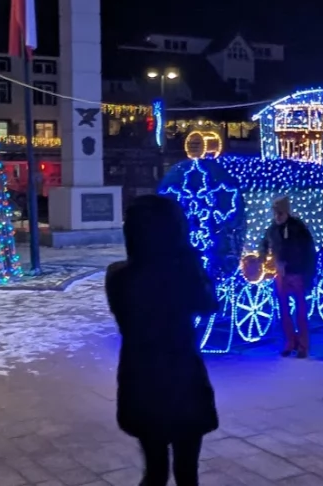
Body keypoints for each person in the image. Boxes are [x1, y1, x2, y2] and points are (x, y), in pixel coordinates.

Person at [106, 194, 219, 486]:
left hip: (142, 379)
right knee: (187, 472)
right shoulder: (183, 274)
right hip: (182, 378)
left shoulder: (118, 277)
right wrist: (191, 259)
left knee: (155, 471)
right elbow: (209, 304)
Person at [259, 196, 316, 358]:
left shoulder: (298, 227)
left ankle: (303, 345)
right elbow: (264, 243)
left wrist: (307, 273)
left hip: (296, 272)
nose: (277, 216)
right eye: (275, 213)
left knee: (300, 310)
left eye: (279, 213)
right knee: (283, 310)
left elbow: (307, 250)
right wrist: (263, 257)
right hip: (281, 275)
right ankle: (290, 342)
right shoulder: (273, 228)